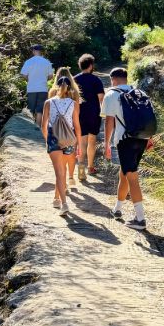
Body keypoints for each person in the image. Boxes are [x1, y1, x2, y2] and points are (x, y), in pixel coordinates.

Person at [102, 67, 153, 231]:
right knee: (124, 173)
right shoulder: (139, 92)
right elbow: (147, 116)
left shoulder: (111, 94)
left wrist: (106, 144)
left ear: (113, 79)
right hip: (142, 138)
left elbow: (109, 122)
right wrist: (149, 137)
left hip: (125, 141)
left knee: (131, 176)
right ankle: (117, 209)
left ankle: (140, 219)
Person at [42, 74, 82, 216]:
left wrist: (48, 140)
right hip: (69, 139)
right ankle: (56, 199)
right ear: (69, 88)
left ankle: (64, 204)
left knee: (59, 172)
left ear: (57, 87)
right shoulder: (74, 104)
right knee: (62, 171)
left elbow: (44, 125)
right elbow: (77, 126)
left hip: (54, 137)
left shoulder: (49, 102)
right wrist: (79, 145)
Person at [73, 54, 105, 181]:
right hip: (93, 114)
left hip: (79, 114)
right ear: (91, 65)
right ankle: (90, 167)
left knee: (81, 141)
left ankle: (81, 168)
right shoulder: (96, 80)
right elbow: (101, 98)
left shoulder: (74, 79)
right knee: (92, 141)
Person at [53, 67, 83, 187]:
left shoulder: (52, 92)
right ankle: (70, 177)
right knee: (70, 156)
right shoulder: (75, 93)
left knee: (59, 158)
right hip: (70, 129)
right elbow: (77, 113)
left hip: (55, 130)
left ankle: (63, 181)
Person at [20, 44, 54, 126]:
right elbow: (51, 76)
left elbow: (23, 75)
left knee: (31, 109)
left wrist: (29, 79)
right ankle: (38, 128)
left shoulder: (28, 62)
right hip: (43, 88)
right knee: (40, 110)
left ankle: (31, 127)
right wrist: (44, 79)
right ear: (41, 52)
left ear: (34, 51)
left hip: (31, 89)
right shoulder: (47, 62)